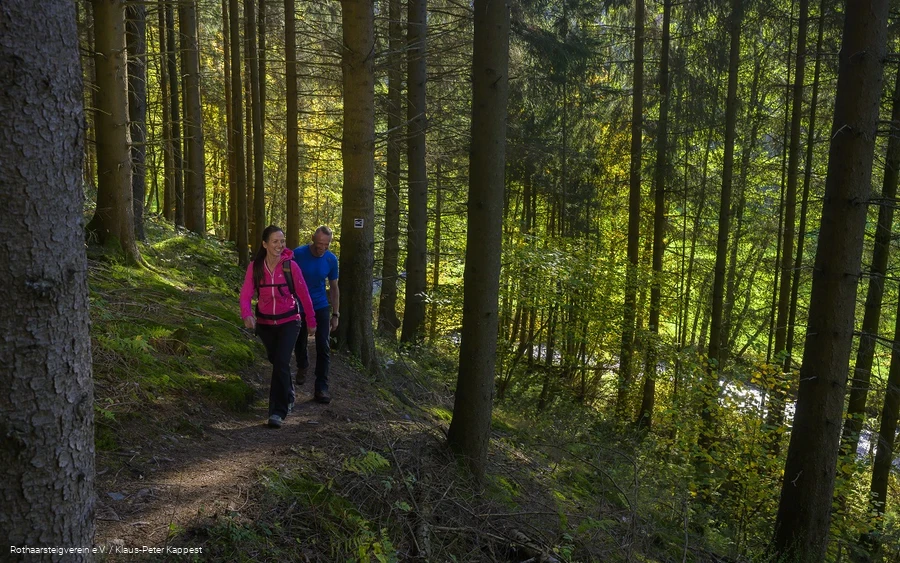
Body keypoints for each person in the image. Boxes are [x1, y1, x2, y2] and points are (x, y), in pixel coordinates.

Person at [240, 225, 316, 428]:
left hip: (290, 321)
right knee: (277, 362)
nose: (279, 245)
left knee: (281, 362)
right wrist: (247, 314)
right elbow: (246, 294)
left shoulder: (291, 267)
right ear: (265, 244)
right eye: (275, 241)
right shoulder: (255, 267)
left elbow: (304, 296)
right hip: (265, 324)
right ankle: (289, 392)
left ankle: (277, 411)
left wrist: (311, 321)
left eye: (282, 241)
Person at [293, 225, 339, 404]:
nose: (322, 247)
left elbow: (334, 289)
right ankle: (302, 365)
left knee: (323, 346)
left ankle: (321, 387)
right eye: (320, 243)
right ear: (313, 239)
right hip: (299, 304)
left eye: (326, 244)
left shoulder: (331, 260)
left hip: (320, 305)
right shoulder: (299, 254)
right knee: (300, 340)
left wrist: (335, 314)